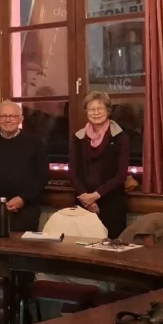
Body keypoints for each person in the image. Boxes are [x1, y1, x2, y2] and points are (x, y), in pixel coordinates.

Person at [0, 101, 48, 233]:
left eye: (12, 116)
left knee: (22, 249)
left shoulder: (35, 143)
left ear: (20, 119)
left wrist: (23, 199)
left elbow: (41, 176)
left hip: (27, 208)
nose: (7, 120)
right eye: (3, 116)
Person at [69, 91, 131, 238]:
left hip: (111, 203)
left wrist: (96, 196)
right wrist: (87, 199)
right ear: (86, 112)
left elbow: (121, 175)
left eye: (100, 109)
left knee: (110, 251)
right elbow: (72, 172)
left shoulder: (121, 138)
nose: (96, 113)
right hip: (83, 202)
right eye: (91, 109)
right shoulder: (78, 137)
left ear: (108, 111)